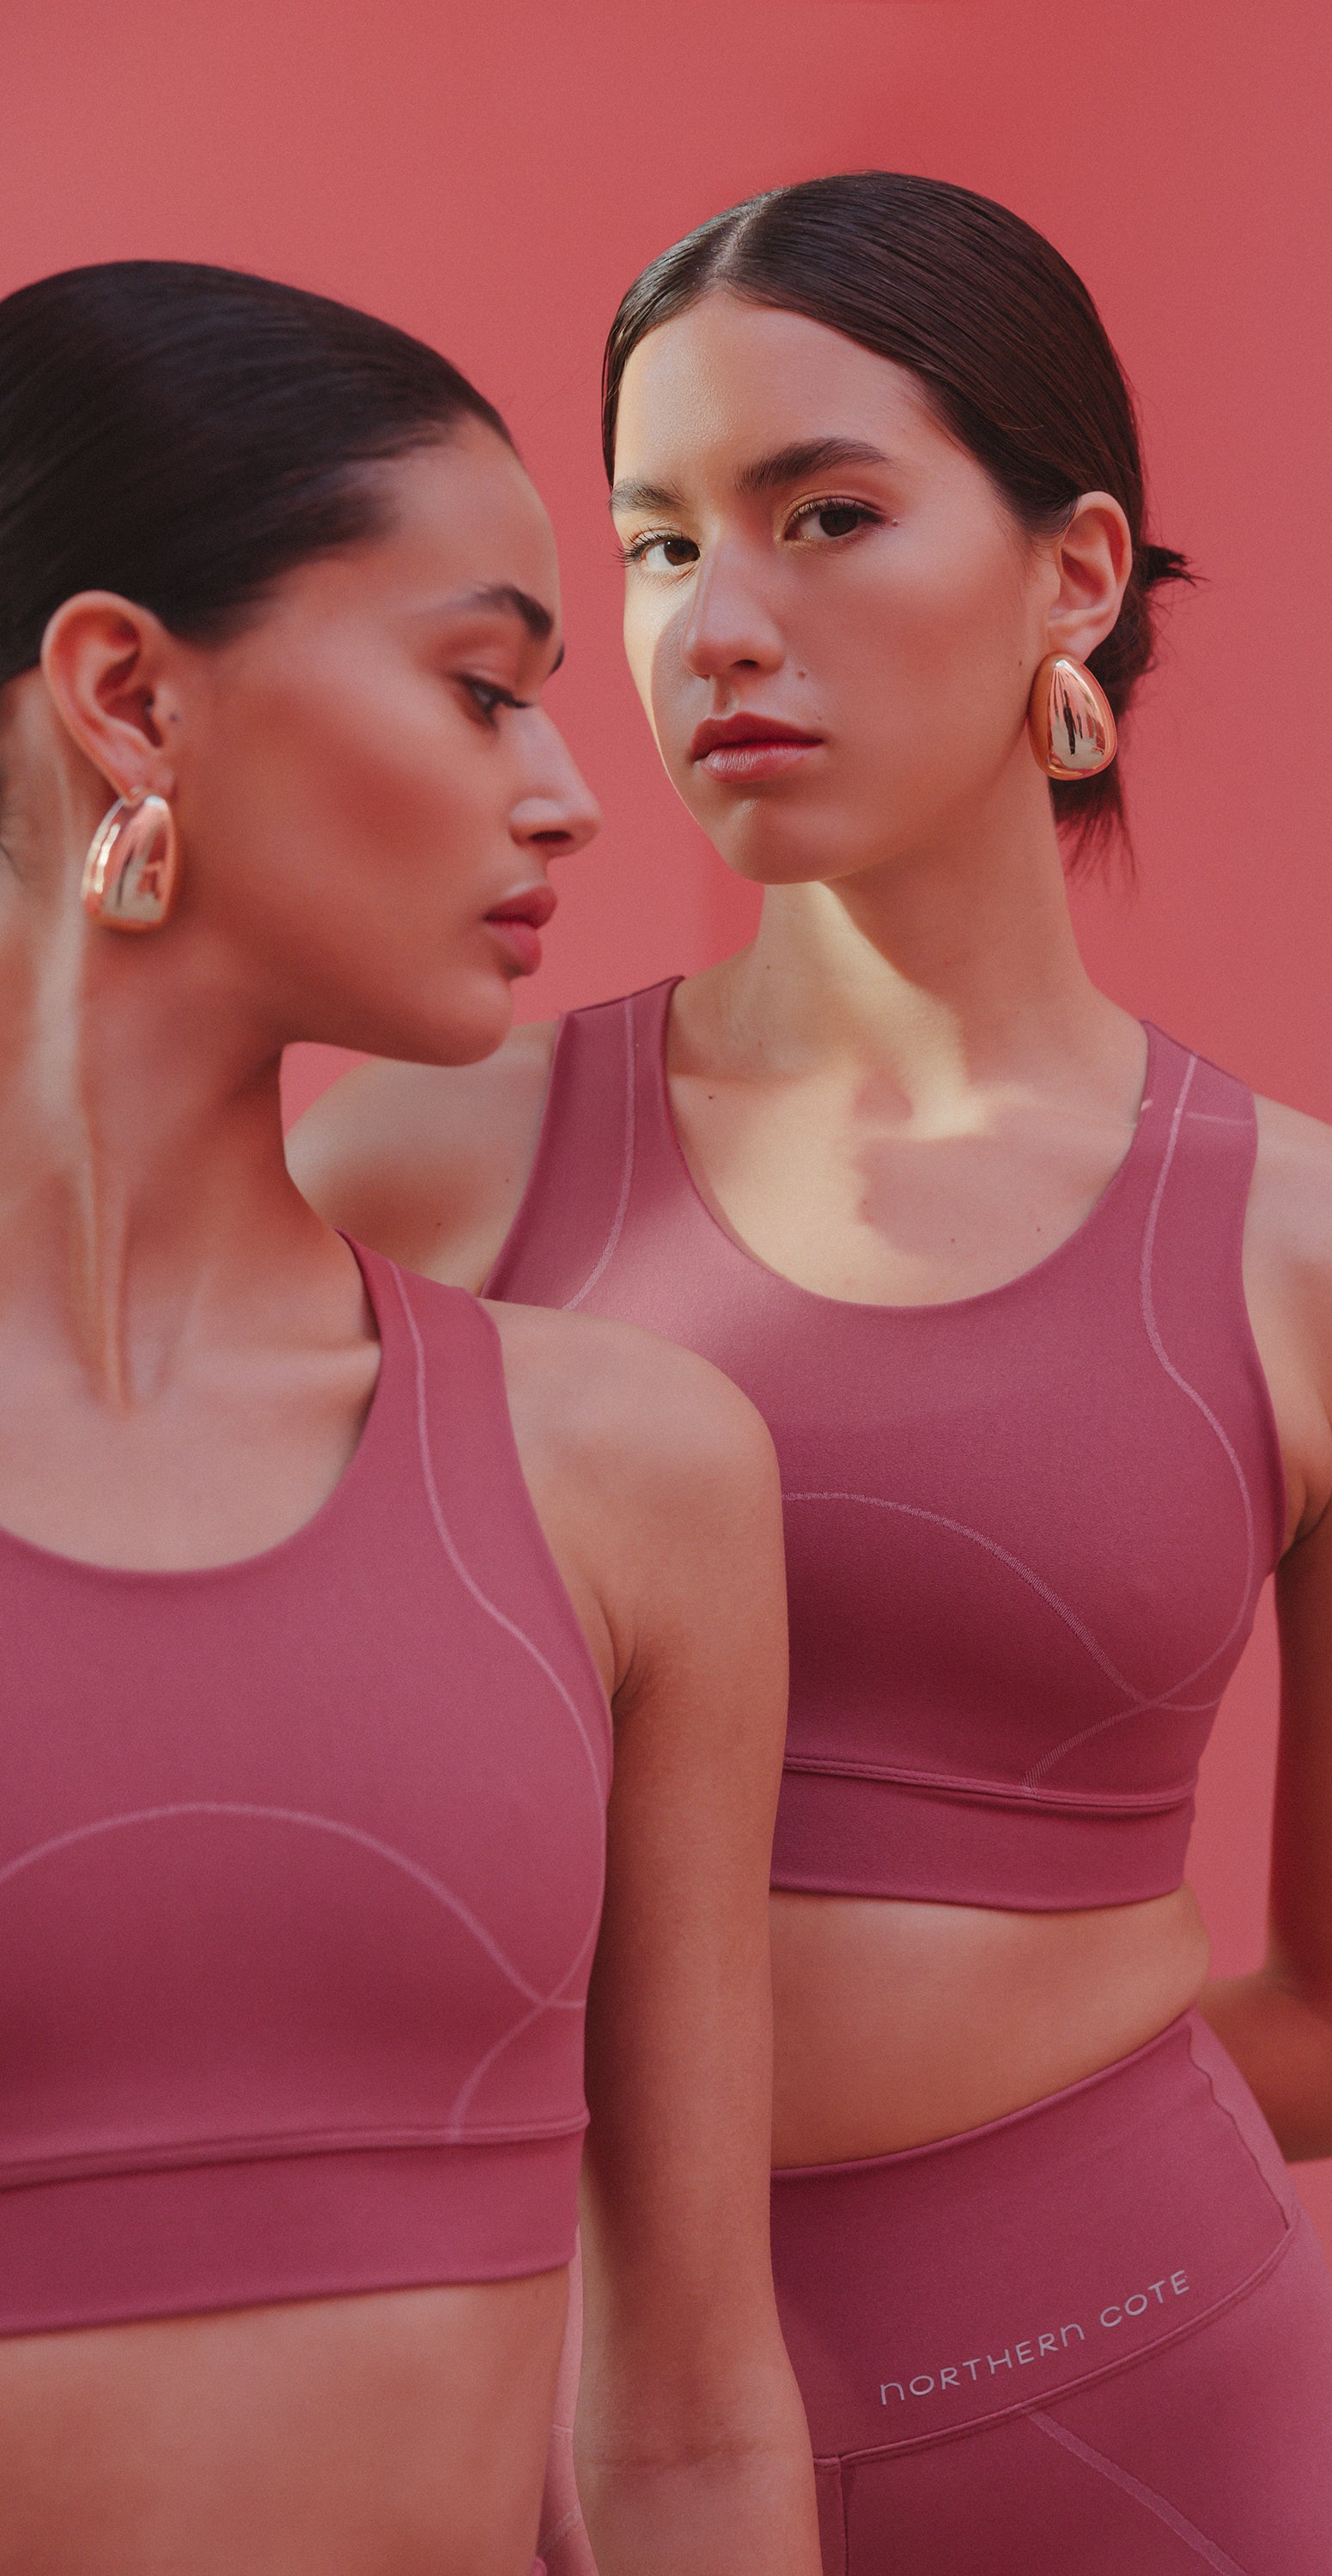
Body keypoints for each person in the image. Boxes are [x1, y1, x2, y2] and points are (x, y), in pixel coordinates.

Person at [295, 174, 1332, 2575]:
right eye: (653, 548)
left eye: (824, 512)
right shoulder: (412, 1180)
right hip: (552, 2457)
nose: (715, 624)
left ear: (1078, 574)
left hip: (1150, 2420)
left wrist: (991, 2243)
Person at [0, 259, 822, 2576]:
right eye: (480, 689)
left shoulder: (631, 1476)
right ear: (127, 693)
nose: (576, 795)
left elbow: (685, 2413)